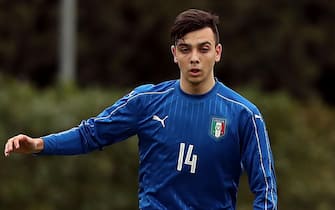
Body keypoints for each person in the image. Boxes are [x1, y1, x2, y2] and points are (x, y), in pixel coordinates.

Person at [4, 9, 277, 210]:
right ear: (174, 53)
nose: (194, 57)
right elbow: (92, 134)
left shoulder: (244, 115)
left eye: (203, 49)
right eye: (185, 49)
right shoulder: (146, 101)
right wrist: (40, 144)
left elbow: (265, 189)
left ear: (217, 52)